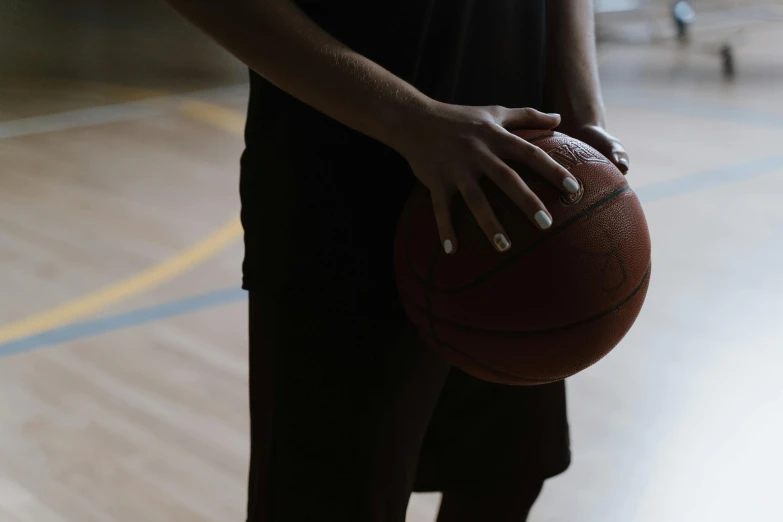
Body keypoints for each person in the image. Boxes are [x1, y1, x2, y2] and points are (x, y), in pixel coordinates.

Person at [162, 1, 630, 520]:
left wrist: (581, 111)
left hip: (516, 179)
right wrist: (411, 118)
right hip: (344, 189)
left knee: (505, 478)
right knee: (335, 503)